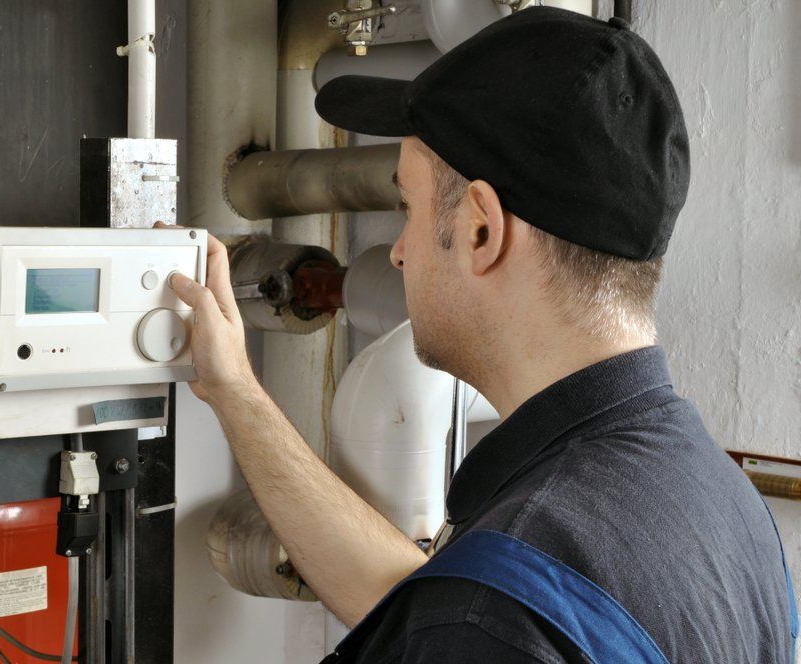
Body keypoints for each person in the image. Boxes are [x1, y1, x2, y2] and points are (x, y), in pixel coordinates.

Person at [167, 7, 796, 663]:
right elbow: (426, 602)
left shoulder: (490, 619)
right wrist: (235, 390)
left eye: (407, 209)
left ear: (481, 231)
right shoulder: (722, 508)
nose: (401, 253)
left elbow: (470, 621)